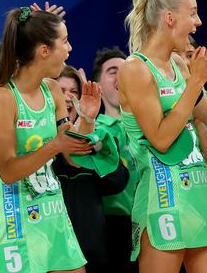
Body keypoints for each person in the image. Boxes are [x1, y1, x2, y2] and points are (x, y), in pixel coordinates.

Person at [119, 0, 207, 272]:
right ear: (170, 18)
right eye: (192, 13)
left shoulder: (179, 64)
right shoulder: (135, 68)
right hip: (163, 199)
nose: (198, 22)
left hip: (201, 193)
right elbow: (160, 138)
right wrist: (197, 81)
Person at [0, 7, 100, 272]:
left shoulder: (53, 90)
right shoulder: (1, 98)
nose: (69, 48)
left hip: (54, 218)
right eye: (64, 41)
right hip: (15, 225)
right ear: (44, 51)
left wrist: (88, 119)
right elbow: (8, 171)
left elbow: (73, 158)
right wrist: (54, 145)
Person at [54, 65, 129, 272]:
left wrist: (88, 123)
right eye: (60, 91)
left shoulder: (99, 135)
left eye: (73, 92)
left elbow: (117, 182)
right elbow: (70, 161)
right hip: (50, 246)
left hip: (92, 249)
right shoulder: (37, 141)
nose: (68, 97)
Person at [92, 47, 139, 273]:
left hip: (155, 221)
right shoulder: (94, 131)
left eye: (125, 70)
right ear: (98, 87)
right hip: (114, 230)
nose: (121, 76)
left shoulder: (152, 126)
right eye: (112, 71)